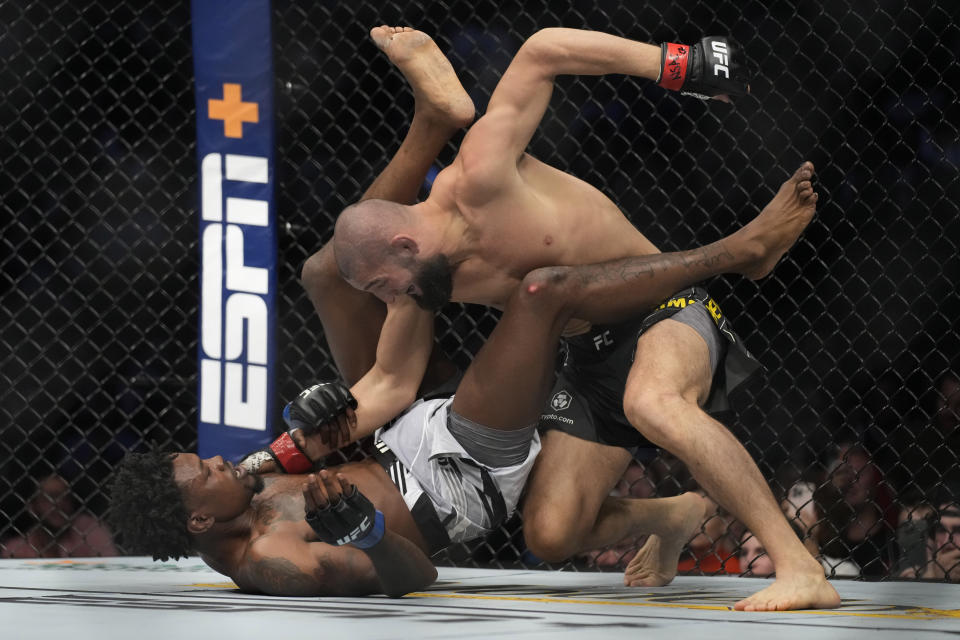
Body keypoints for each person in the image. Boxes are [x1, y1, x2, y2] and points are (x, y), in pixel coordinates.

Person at [301, 25, 837, 610]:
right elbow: (389, 383)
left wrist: (676, 66)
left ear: (405, 246)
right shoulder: (421, 287)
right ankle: (674, 515)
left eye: (384, 284)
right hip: (587, 357)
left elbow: (541, 51)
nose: (390, 297)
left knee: (652, 402)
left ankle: (798, 565)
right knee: (550, 533)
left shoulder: (481, 174)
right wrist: (293, 445)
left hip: (661, 310)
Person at [111, 241, 748, 596]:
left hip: (404, 436)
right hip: (460, 473)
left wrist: (309, 417)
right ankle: (730, 255)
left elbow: (282, 459)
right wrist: (369, 535)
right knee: (539, 294)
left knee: (329, 275)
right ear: (197, 517)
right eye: (204, 469)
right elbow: (416, 575)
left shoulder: (243, 497)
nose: (219, 458)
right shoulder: (275, 561)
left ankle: (425, 178)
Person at [1, 473, 117, 558]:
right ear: (32, 507)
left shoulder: (90, 529)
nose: (59, 503)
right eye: (50, 497)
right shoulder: (16, 548)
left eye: (65, 497)